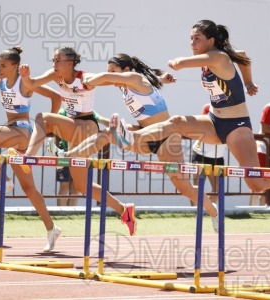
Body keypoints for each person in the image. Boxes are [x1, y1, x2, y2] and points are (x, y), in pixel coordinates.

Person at [110, 20, 270, 200]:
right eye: (191, 38)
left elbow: (186, 63)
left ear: (211, 41)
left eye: (197, 38)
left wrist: (178, 62)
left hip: (237, 127)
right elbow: (242, 56)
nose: (192, 42)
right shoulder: (216, 57)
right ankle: (131, 137)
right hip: (213, 121)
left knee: (256, 185)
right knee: (177, 122)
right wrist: (247, 82)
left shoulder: (219, 57)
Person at [62, 53, 218, 232]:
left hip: (165, 139)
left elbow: (105, 78)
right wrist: (82, 78)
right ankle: (70, 156)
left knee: (185, 188)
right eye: (109, 71)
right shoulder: (127, 85)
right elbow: (106, 79)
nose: (111, 76)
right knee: (106, 134)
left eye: (114, 71)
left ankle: (214, 212)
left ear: (126, 70)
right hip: (144, 136)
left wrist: (89, 81)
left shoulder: (135, 78)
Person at [19, 47, 137, 236]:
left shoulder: (85, 78)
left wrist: (131, 79)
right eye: (53, 60)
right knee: (83, 187)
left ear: (70, 63)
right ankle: (125, 210)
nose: (54, 64)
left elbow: (109, 79)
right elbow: (31, 84)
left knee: (43, 118)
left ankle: (28, 159)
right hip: (72, 127)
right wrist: (25, 76)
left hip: (87, 126)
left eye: (58, 60)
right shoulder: (54, 75)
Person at [0, 46, 63, 252]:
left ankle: (3, 179)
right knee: (29, 190)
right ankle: (51, 228)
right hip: (11, 132)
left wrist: (48, 128)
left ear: (15, 66)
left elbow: (56, 98)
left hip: (23, 131)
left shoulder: (24, 82)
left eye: (3, 65)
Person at [46, 109, 109, 206]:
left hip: (79, 154)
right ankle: (60, 212)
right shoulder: (63, 111)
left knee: (78, 186)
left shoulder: (88, 111)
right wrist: (55, 153)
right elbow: (56, 129)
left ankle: (71, 211)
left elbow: (101, 119)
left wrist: (115, 126)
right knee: (64, 185)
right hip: (64, 150)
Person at [191, 103, 226, 204]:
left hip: (217, 157)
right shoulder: (208, 107)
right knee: (196, 188)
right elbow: (206, 125)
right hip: (200, 154)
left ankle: (208, 211)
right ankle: (195, 212)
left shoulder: (233, 111)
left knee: (218, 190)